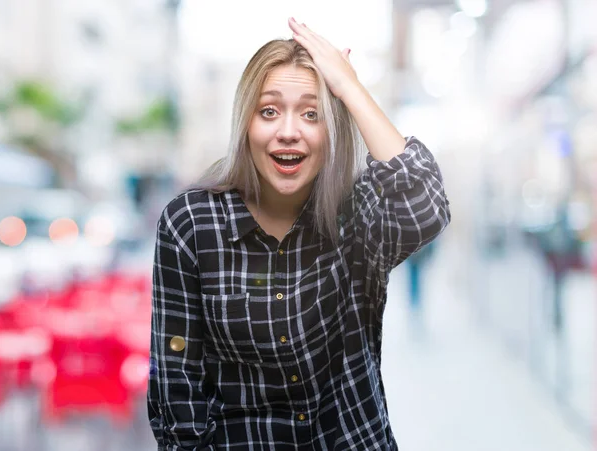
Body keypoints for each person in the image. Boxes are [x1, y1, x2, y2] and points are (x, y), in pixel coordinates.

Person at [148, 17, 451, 450]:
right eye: (269, 111)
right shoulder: (192, 223)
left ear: (331, 131)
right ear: (246, 125)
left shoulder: (357, 216)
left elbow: (427, 203)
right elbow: (176, 387)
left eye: (311, 114)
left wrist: (349, 89)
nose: (288, 131)